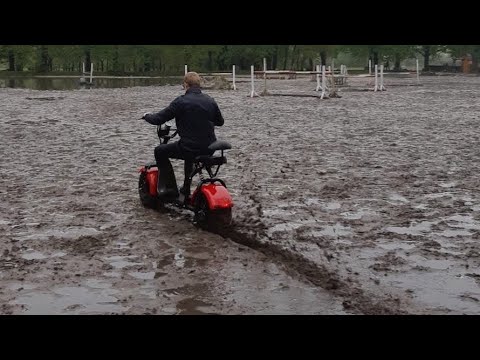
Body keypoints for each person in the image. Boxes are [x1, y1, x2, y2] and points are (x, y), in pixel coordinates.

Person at [142, 71, 224, 199]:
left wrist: (146, 116)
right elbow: (220, 122)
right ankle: (186, 189)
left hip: (188, 148)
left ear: (185, 85)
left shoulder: (181, 101)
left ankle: (169, 188)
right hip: (209, 148)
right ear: (199, 84)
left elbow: (158, 119)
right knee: (189, 153)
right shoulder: (210, 101)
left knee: (159, 151)